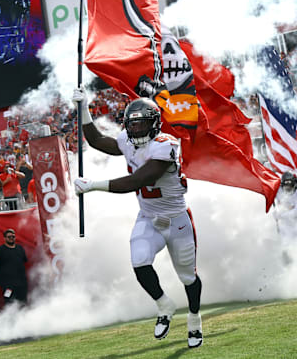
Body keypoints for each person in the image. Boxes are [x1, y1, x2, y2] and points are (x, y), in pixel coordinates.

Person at [72, 90, 203, 349]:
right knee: (139, 261)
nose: (136, 127)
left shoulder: (166, 144)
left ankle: (194, 319)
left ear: (154, 122)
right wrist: (83, 108)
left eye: (141, 121)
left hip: (177, 220)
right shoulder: (128, 141)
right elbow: (98, 140)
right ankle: (164, 305)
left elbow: (139, 180)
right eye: (132, 122)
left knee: (187, 276)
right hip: (148, 217)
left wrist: (93, 185)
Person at [273, 171, 297, 263]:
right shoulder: (278, 191)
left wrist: (280, 215)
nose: (288, 187)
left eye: (290, 184)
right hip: (283, 232)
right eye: (285, 185)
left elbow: (296, 212)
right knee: (284, 258)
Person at [0, 229, 28, 305]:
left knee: (23, 303)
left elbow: (24, 261)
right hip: (8, 284)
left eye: (13, 236)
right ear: (4, 238)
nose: (11, 238)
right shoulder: (0, 250)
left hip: (21, 283)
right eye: (9, 237)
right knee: (10, 303)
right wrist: (1, 275)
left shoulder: (20, 248)